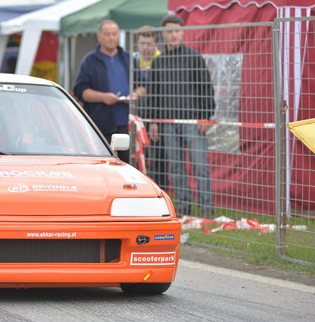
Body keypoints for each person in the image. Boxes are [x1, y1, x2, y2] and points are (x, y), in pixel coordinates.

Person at [146, 14, 215, 217]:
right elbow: (154, 95)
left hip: (193, 122)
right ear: (163, 34)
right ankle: (184, 208)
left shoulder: (194, 58)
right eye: (170, 31)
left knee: (200, 166)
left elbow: (206, 88)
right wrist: (154, 122)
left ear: (182, 33)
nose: (174, 35)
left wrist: (206, 116)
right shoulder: (159, 62)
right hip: (167, 123)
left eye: (177, 31)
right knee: (176, 167)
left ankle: (207, 209)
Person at [73, 19, 132, 162]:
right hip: (101, 125)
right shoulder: (90, 61)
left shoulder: (128, 59)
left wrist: (135, 94)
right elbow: (81, 91)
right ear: (99, 36)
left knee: (128, 165)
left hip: (127, 124)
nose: (111, 38)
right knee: (103, 163)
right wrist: (103, 97)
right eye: (107, 34)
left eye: (114, 34)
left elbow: (143, 85)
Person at [132, 27, 166, 189]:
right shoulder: (134, 61)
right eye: (142, 43)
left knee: (157, 155)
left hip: (157, 114)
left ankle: (159, 188)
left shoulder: (162, 60)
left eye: (149, 44)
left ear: (156, 44)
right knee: (139, 153)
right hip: (138, 114)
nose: (145, 47)